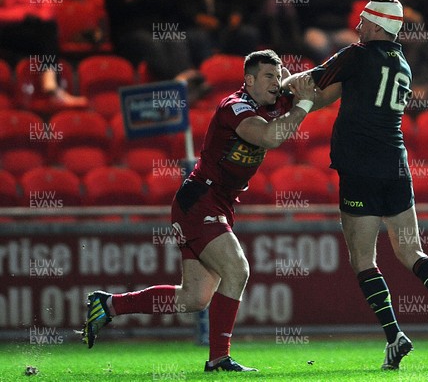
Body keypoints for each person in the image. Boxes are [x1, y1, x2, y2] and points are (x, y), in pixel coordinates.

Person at [81, 49, 318, 372]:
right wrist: (303, 103)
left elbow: (317, 94)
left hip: (215, 203)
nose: (277, 83)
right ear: (249, 80)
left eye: (278, 76)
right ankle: (219, 359)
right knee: (238, 270)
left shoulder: (272, 104)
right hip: (200, 200)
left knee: (194, 298)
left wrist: (339, 81)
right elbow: (269, 137)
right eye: (268, 76)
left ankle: (108, 304)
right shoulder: (234, 107)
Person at [300, 0, 428, 370]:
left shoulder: (357, 55)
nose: (359, 25)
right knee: (411, 251)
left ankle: (394, 335)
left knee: (364, 259)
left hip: (359, 168)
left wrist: (281, 85)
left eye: (364, 19)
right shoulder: (402, 64)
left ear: (378, 24)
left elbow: (314, 81)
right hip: (396, 166)